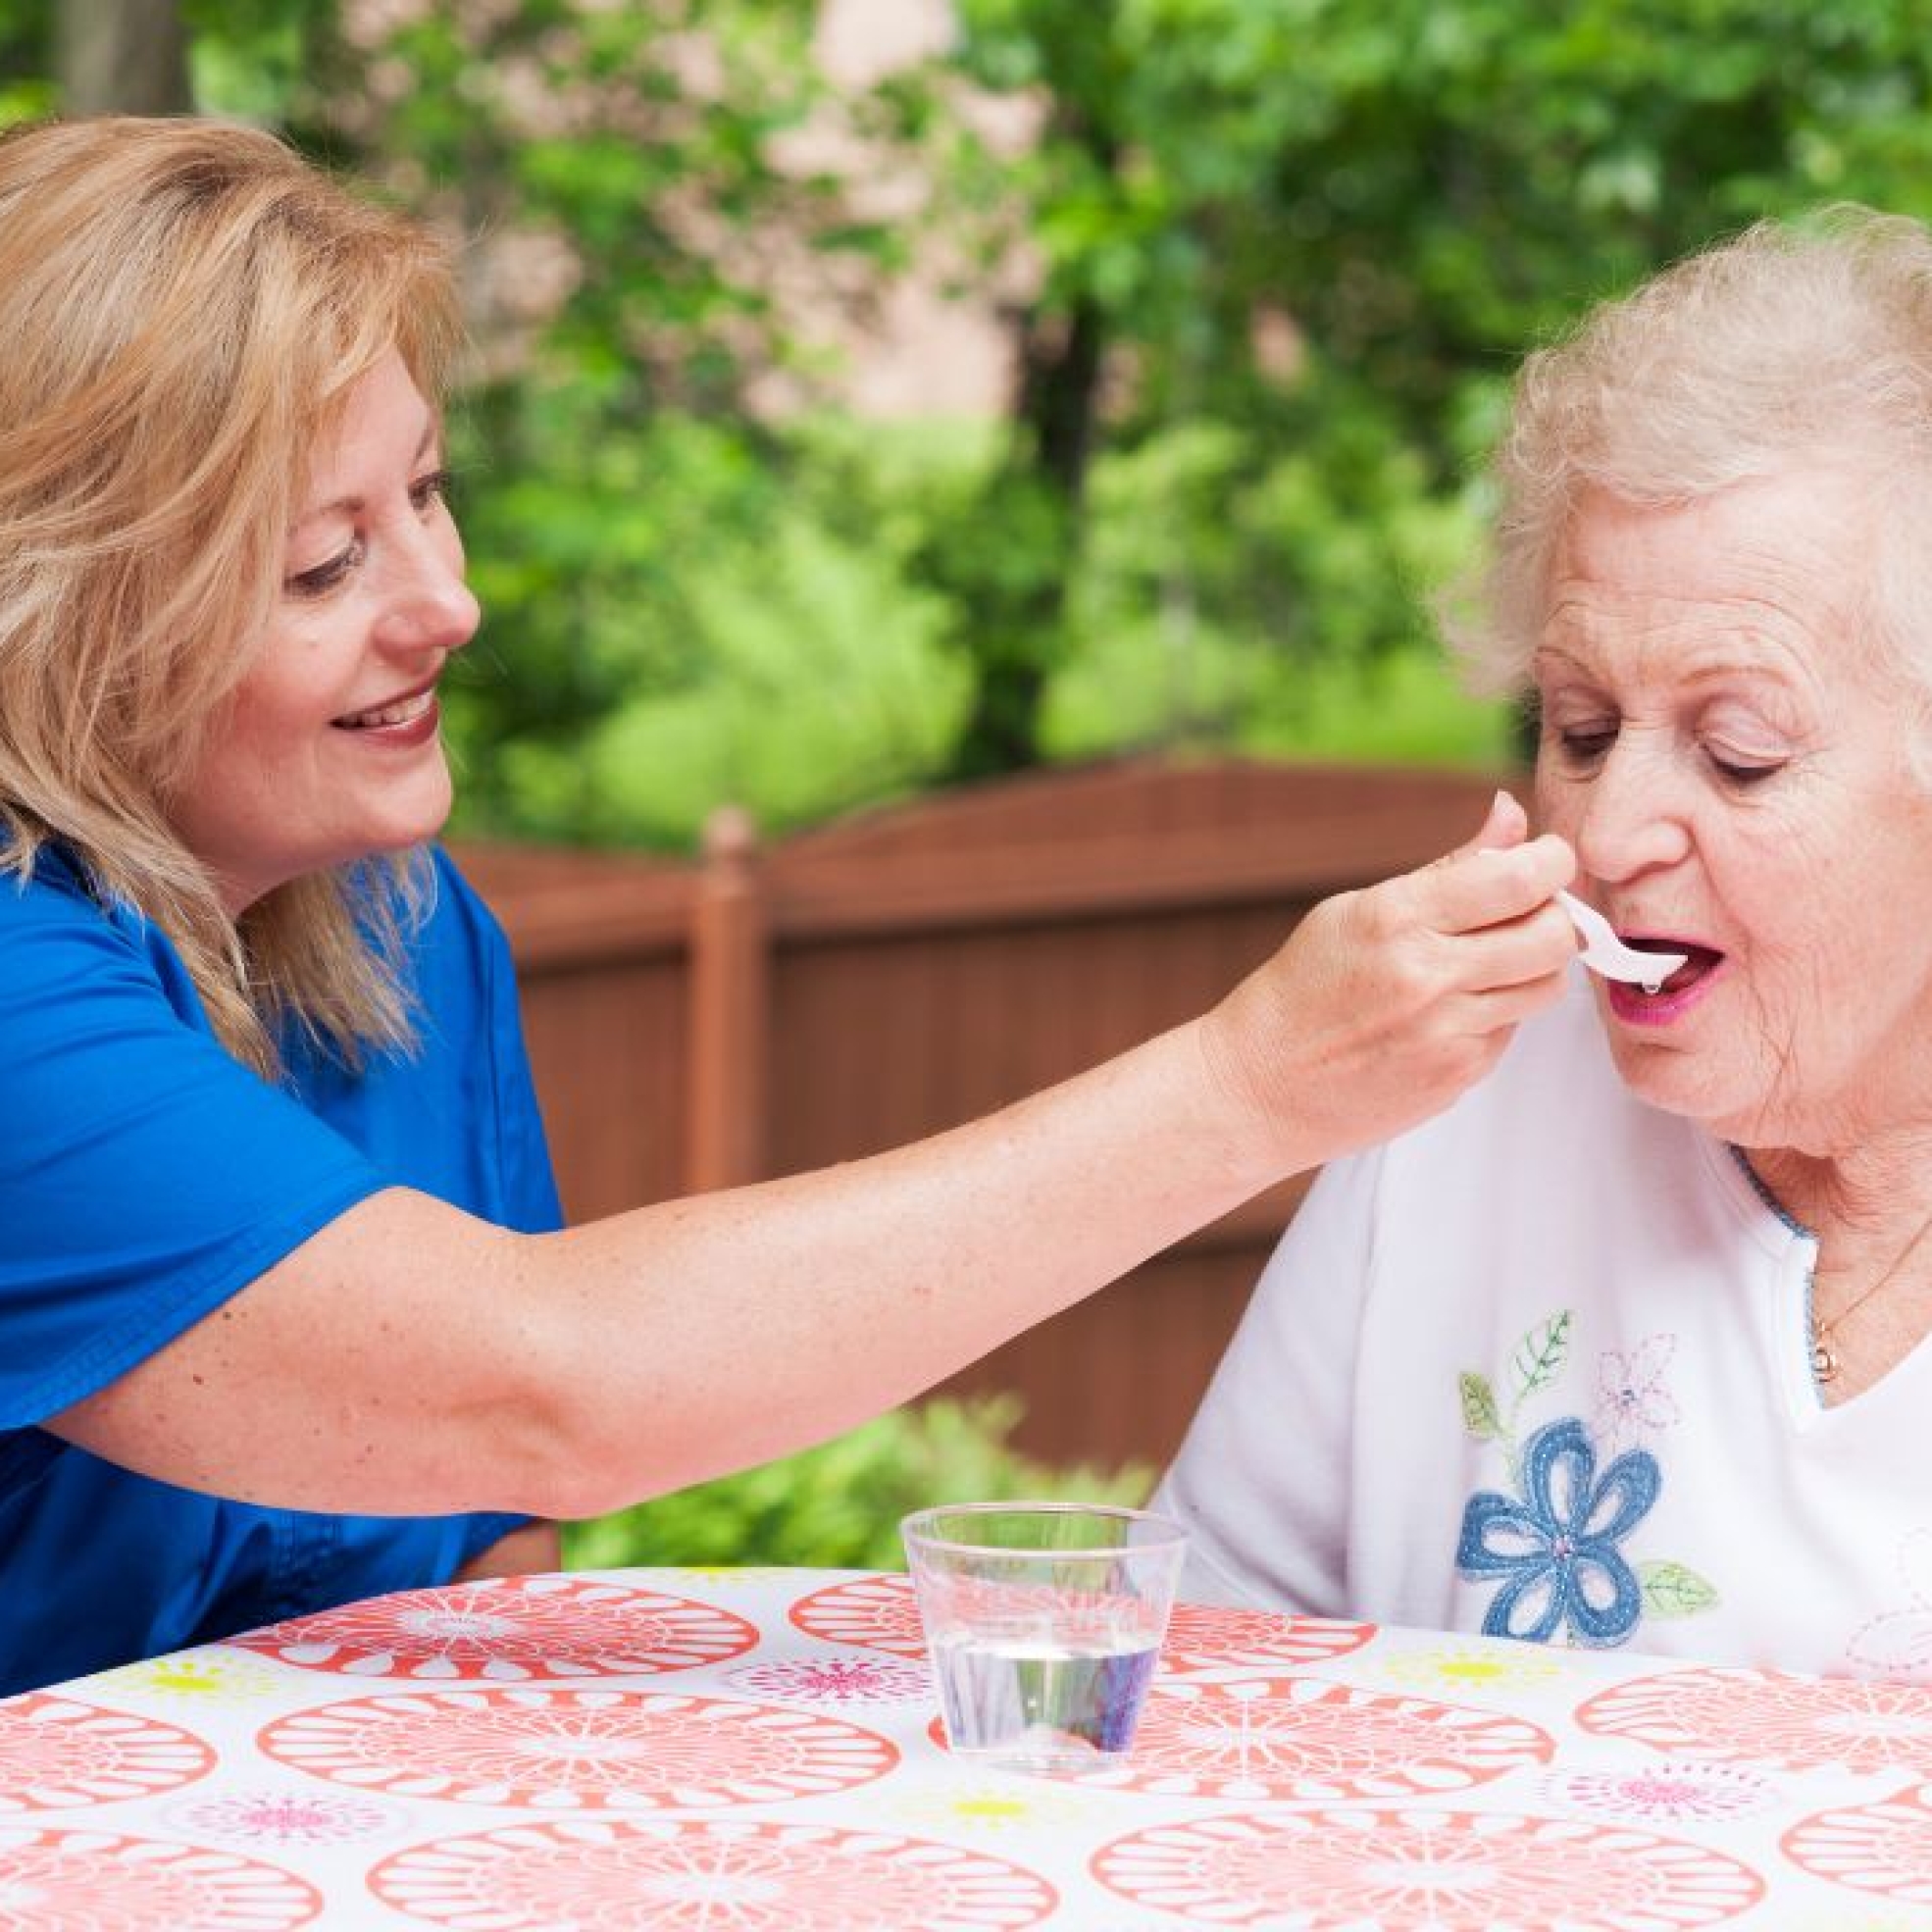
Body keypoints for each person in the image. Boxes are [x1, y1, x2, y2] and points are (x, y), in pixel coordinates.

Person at [0, 114, 1579, 1698]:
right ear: (70, 621)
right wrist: (1252, 1083)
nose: (446, 602)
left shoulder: (402, 922)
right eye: (326, 564)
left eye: (425, 492)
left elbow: (488, 1546)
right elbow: (546, 1391)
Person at [1158, 205, 1932, 1683]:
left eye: (1739, 751)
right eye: (1577, 727)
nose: (1607, 825)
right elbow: (1205, 1660)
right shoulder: (1453, 1099)